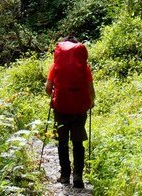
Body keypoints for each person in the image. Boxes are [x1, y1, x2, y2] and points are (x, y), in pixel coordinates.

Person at [45, 36, 95, 189]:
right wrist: (91, 102)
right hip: (79, 108)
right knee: (78, 142)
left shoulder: (55, 66)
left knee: (62, 142)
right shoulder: (84, 67)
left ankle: (65, 175)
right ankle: (78, 176)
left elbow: (48, 89)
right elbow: (91, 91)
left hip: (61, 108)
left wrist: (55, 95)